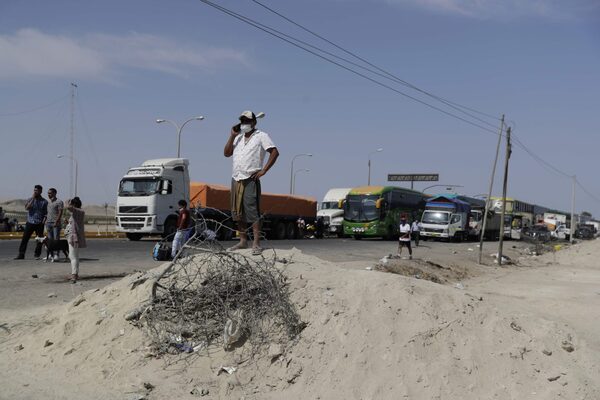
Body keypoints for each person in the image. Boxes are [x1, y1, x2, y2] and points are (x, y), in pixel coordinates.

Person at [224, 110, 279, 255]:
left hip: (251, 177)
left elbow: (274, 152)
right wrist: (231, 136)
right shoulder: (238, 138)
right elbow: (226, 153)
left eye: (247, 121)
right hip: (236, 177)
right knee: (237, 211)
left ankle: (256, 243)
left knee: (252, 210)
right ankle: (243, 241)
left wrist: (264, 170)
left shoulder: (261, 136)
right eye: (242, 121)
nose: (244, 124)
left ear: (254, 122)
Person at [15, 185, 48, 260]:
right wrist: (33, 199)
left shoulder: (44, 202)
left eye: (37, 190)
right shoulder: (30, 199)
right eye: (34, 190)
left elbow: (46, 213)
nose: (35, 192)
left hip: (39, 223)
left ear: (40, 191)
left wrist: (43, 221)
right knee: (25, 239)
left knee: (39, 239)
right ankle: (21, 254)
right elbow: (27, 208)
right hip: (30, 222)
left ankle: (37, 254)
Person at [66, 197, 86, 283]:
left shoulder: (78, 211)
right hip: (72, 236)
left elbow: (69, 208)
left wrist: (68, 203)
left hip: (74, 237)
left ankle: (74, 275)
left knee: (73, 256)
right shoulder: (76, 212)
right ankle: (75, 273)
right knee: (73, 256)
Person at [46, 188, 64, 258]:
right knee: (50, 240)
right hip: (48, 223)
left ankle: (57, 254)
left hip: (55, 223)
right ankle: (51, 253)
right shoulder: (48, 202)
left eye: (50, 193)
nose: (48, 194)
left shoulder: (59, 202)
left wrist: (57, 221)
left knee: (56, 239)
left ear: (54, 193)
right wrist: (46, 220)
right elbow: (48, 212)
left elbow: (60, 212)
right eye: (48, 193)